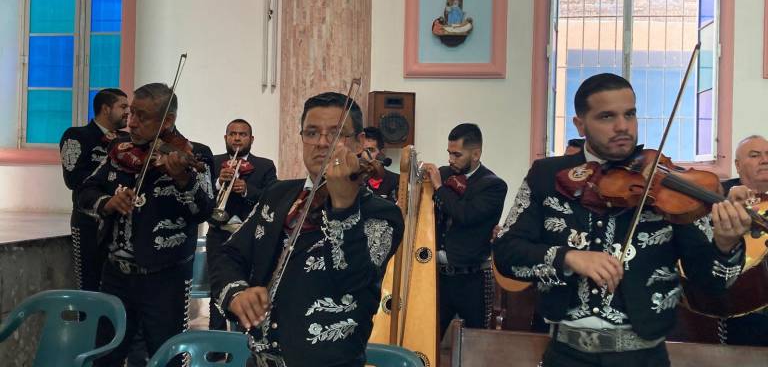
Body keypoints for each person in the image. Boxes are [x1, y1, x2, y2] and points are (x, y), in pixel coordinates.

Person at [493, 73, 752, 367]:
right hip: (566, 354)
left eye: (630, 114)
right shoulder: (546, 176)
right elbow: (506, 253)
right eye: (606, 116)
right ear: (580, 124)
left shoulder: (670, 185)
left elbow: (711, 285)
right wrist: (570, 258)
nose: (622, 126)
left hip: (643, 357)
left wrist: (725, 245)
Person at [210, 92, 404, 367]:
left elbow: (354, 280)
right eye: (312, 132)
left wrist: (345, 206)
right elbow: (228, 254)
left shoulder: (381, 213)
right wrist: (237, 293)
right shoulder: (278, 194)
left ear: (360, 142)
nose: (323, 143)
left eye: (337, 134)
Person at [78, 83, 214, 366]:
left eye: (143, 116)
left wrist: (182, 181)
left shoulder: (194, 155)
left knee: (166, 355)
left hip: (164, 278)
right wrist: (107, 203)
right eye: (131, 114)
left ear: (167, 121)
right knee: (106, 354)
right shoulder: (119, 150)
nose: (133, 122)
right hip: (116, 274)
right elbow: (86, 192)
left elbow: (203, 210)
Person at [423, 123, 508, 336]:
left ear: (476, 154)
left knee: (475, 342)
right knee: (428, 336)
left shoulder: (493, 185)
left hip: (471, 280)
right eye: (449, 153)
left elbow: (465, 215)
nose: (451, 160)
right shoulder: (443, 174)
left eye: (457, 155)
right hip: (439, 277)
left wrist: (440, 188)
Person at [208, 118, 277, 332]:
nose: (237, 138)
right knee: (218, 290)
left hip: (250, 238)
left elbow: (272, 198)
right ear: (226, 138)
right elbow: (202, 196)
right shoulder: (213, 162)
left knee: (247, 289)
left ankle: (246, 340)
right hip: (219, 234)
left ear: (251, 139)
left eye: (243, 134)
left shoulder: (265, 166)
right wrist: (219, 182)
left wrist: (247, 189)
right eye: (233, 134)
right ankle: (217, 347)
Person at [59, 88, 129, 291]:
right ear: (106, 109)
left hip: (121, 226)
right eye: (123, 106)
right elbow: (73, 179)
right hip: (90, 223)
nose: (128, 112)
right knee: (89, 286)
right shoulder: (76, 136)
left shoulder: (127, 140)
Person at [719, 134, 768, 346]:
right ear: (738, 166)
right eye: (755, 155)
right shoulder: (720, 193)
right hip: (741, 299)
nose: (765, 160)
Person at [361, 126, 399, 203]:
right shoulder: (355, 180)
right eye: (362, 150)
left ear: (381, 153)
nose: (364, 156)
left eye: (370, 150)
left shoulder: (396, 180)